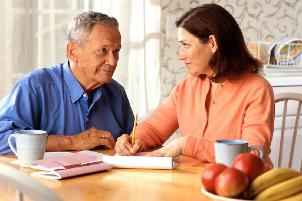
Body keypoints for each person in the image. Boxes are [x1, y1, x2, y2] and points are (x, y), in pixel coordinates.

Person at [115, 4, 274, 166]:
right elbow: (155, 129)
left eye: (186, 45)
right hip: (194, 180)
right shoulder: (186, 86)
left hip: (242, 184)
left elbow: (253, 154)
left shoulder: (258, 89)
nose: (180, 56)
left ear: (212, 43)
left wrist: (187, 145)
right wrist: (133, 140)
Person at [0, 11, 134, 154]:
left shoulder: (116, 92)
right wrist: (72, 141)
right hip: (45, 177)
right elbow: (2, 138)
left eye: (116, 51)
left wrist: (130, 141)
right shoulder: (35, 86)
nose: (113, 61)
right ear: (72, 51)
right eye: (102, 51)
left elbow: (135, 138)